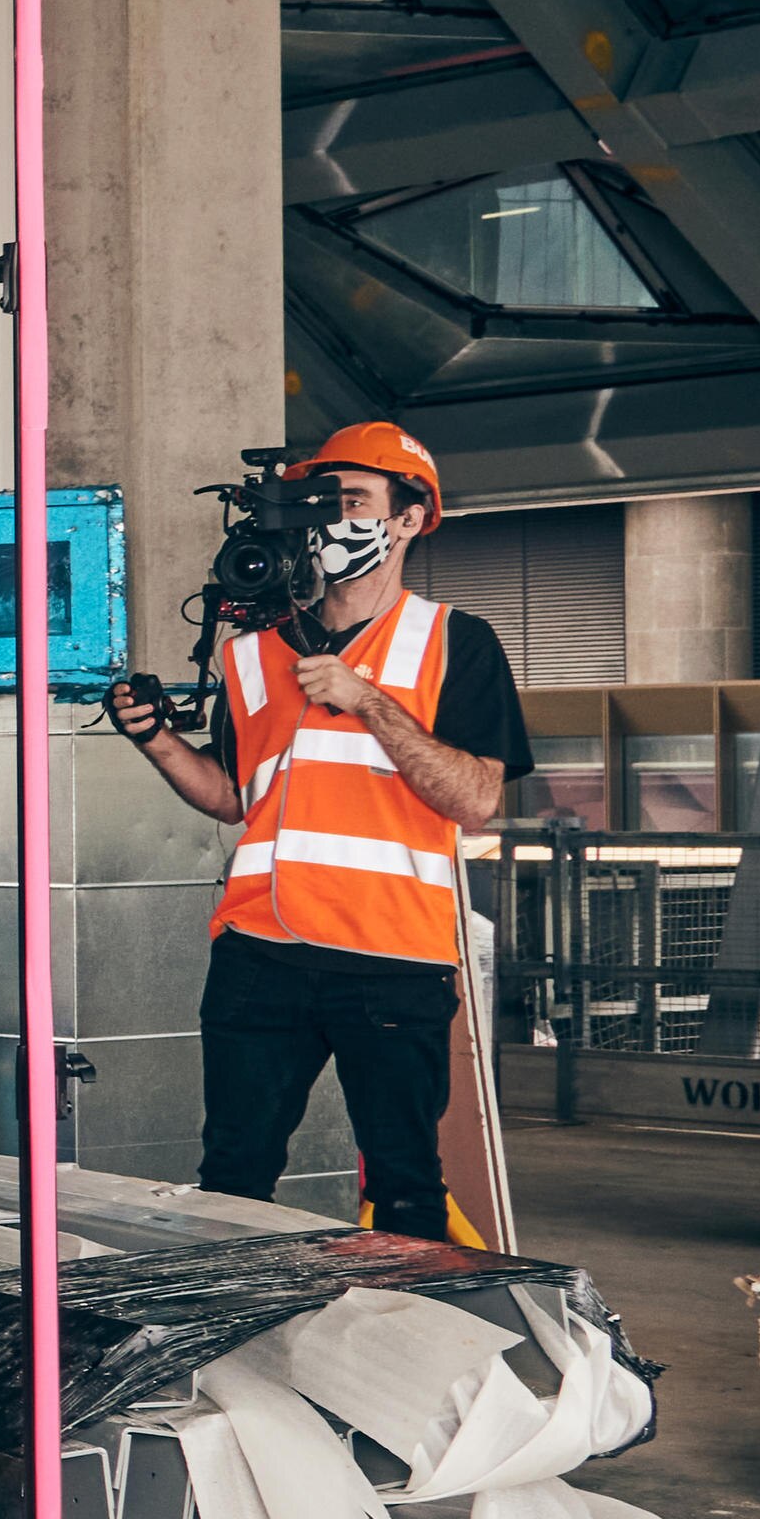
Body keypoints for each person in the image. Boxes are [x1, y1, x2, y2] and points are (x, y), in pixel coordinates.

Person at [115, 418, 526, 1237]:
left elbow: (476, 800)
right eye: (324, 500)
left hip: (391, 956)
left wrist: (367, 699)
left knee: (406, 1186)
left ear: (409, 519)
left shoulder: (456, 642)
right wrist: (156, 740)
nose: (335, 517)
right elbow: (234, 797)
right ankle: (231, 1315)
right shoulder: (250, 653)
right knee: (231, 1179)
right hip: (259, 953)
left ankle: (406, 1319)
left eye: (356, 500)